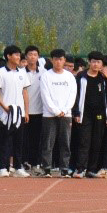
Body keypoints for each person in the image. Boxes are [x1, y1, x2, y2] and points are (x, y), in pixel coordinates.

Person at [0, 45, 29, 177]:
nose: (19, 57)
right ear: (8, 56)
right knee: (5, 140)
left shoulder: (22, 73)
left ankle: (18, 167)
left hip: (20, 113)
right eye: (16, 55)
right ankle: (2, 167)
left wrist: (26, 111)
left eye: (19, 55)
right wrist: (4, 107)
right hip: (6, 114)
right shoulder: (1, 72)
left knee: (19, 141)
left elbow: (24, 92)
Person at [39, 49, 76, 177]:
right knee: (48, 143)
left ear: (64, 61)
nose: (58, 62)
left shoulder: (69, 76)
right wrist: (55, 110)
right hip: (49, 115)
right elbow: (45, 96)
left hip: (66, 115)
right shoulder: (46, 76)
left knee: (65, 142)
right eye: (55, 59)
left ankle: (64, 169)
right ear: (52, 60)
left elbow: (72, 95)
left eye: (61, 59)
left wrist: (64, 110)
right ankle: (47, 168)